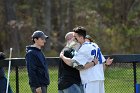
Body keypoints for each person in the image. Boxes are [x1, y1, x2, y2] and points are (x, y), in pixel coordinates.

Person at [60, 26, 113, 93]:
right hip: (100, 79)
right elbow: (102, 65)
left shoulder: (84, 48)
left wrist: (62, 56)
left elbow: (75, 64)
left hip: (90, 80)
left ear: (81, 37)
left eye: (75, 37)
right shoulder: (95, 45)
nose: (74, 39)